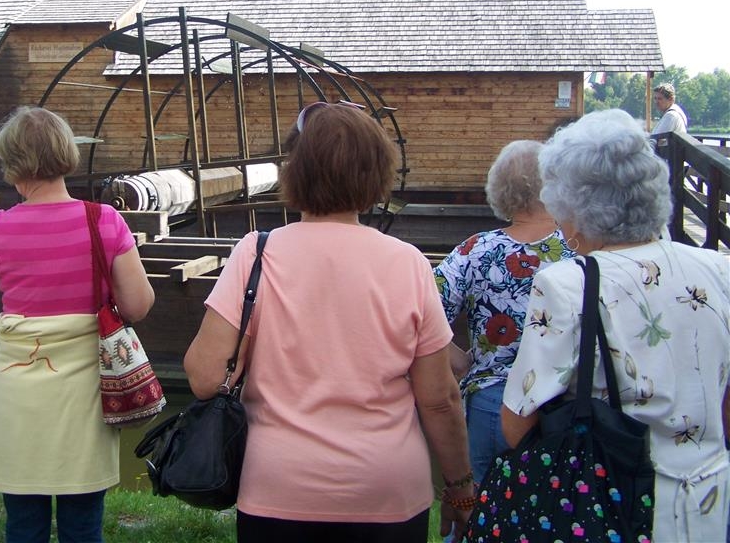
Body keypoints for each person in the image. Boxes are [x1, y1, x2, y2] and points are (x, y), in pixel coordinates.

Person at [184, 101, 475, 543]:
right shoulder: (408, 263)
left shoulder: (255, 254)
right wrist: (460, 488)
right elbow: (439, 400)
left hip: (279, 486)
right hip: (387, 490)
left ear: (293, 169)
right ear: (377, 174)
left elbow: (205, 378)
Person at [501, 108, 730, 542]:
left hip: (611, 505)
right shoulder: (719, 268)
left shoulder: (568, 283)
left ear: (574, 205)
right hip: (708, 498)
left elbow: (518, 421)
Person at [0, 106, 155, 543]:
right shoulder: (104, 220)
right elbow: (138, 305)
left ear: (12, 163)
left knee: (24, 523)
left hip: (18, 391)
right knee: (83, 524)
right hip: (85, 393)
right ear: (65, 154)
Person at [435, 140, 575, 486]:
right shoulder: (577, 250)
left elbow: (422, 316)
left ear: (499, 188)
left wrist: (460, 361)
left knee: (482, 506)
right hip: (560, 404)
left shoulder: (475, 250)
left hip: (490, 403)